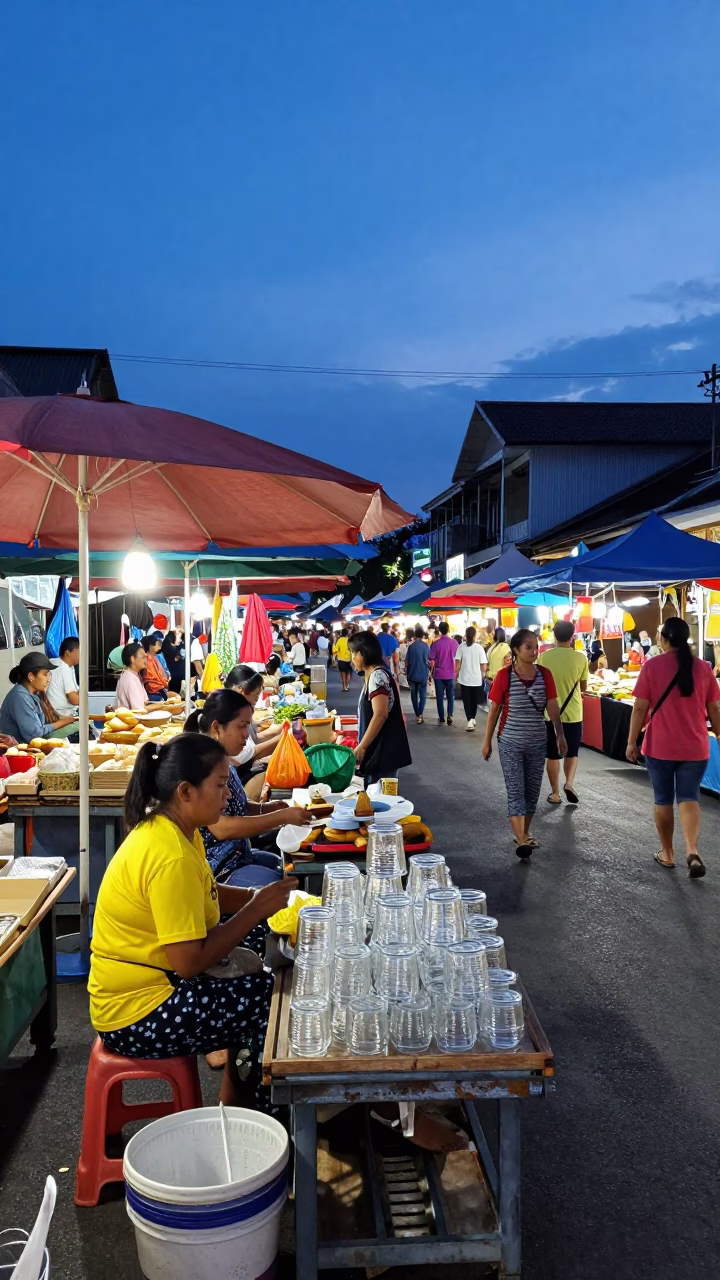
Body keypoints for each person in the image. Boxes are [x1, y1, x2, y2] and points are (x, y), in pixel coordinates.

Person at [88, 732, 298, 1108]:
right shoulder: (171, 856)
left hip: (153, 982)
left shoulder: (175, 829)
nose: (227, 796)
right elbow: (188, 963)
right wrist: (255, 909)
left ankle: (236, 1092)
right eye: (219, 786)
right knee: (269, 999)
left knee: (263, 941)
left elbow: (207, 890)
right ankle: (270, 1113)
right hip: (136, 1013)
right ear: (185, 791)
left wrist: (256, 901)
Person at [184, 688, 315, 887]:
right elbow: (222, 828)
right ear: (217, 728)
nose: (247, 735)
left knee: (285, 866)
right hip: (220, 870)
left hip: (239, 854)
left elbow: (238, 804)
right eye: (242, 727)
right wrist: (281, 817)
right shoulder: (202, 766)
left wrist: (271, 808)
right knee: (284, 884)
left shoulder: (223, 759)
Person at [626, 617, 720, 878]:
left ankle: (668, 854)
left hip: (660, 746)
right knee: (689, 797)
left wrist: (631, 741)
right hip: (695, 745)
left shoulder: (652, 666)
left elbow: (640, 707)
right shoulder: (703, 667)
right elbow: (714, 708)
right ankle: (692, 850)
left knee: (663, 799)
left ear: (663, 639)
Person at [482, 628, 567, 858]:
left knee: (532, 791)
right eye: (528, 647)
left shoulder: (545, 674)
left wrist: (560, 735)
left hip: (538, 741)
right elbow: (494, 711)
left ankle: (525, 833)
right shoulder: (504, 676)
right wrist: (487, 741)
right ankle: (521, 839)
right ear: (516, 650)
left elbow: (552, 706)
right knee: (516, 790)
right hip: (510, 741)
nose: (534, 650)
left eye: (535, 646)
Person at [349, 630, 412, 785]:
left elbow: (380, 715)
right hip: (379, 748)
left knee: (381, 796)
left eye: (353, 653)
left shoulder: (378, 676)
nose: (352, 658)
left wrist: (362, 746)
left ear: (363, 654)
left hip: (383, 750)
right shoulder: (373, 675)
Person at [538, 620, 588, 804]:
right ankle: (569, 783)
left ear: (554, 636)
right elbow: (583, 686)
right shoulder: (581, 658)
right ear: (572, 636)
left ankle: (556, 793)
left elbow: (540, 683)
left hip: (550, 713)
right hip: (574, 712)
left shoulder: (544, 657)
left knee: (552, 754)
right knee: (572, 752)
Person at [224, 664, 284, 797]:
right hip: (242, 776)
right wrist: (281, 737)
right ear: (240, 690)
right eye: (255, 695)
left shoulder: (238, 710)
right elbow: (244, 755)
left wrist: (276, 732)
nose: (257, 700)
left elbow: (250, 742)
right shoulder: (229, 714)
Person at [0, 651, 77, 742]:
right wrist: (63, 722)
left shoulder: (34, 694)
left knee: (81, 725)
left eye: (49, 674)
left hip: (33, 742)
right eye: (45, 674)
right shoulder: (20, 697)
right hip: (19, 749)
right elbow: (34, 734)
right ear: (31, 676)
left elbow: (49, 720)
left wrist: (72, 719)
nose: (48, 679)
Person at [454, 627, 488, 732]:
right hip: (477, 679)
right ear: (474, 635)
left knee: (467, 701)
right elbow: (484, 665)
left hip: (464, 679)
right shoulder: (479, 648)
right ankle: (472, 718)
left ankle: (470, 720)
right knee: (474, 701)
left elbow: (457, 663)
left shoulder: (461, 647)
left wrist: (456, 675)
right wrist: (483, 674)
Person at [429, 622, 458, 725]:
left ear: (440, 631)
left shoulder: (436, 644)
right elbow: (457, 658)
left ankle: (441, 717)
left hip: (439, 675)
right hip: (451, 674)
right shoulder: (454, 643)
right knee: (451, 696)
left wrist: (431, 673)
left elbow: (431, 659)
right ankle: (450, 714)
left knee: (440, 697)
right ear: (448, 629)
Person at [47, 637, 80, 719]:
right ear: (68, 653)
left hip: (54, 713)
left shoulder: (53, 662)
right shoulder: (63, 668)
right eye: (80, 651)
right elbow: (74, 700)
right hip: (64, 715)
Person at [405, 625, 431, 723]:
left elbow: (407, 662)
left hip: (412, 674)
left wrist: (407, 674)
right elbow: (429, 660)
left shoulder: (411, 647)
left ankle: (417, 713)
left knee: (414, 695)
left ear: (415, 635)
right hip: (423, 673)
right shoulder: (426, 646)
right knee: (423, 695)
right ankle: (420, 714)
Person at [141, 633, 170, 702]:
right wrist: (165, 683)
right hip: (154, 690)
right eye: (157, 644)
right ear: (151, 645)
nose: (159, 646)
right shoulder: (149, 659)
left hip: (158, 688)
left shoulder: (153, 657)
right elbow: (154, 678)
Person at [162, 629, 186, 694]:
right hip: (174, 679)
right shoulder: (172, 650)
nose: (180, 640)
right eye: (179, 637)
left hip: (173, 678)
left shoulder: (166, 648)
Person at [333, 627, 353, 692]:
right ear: (347, 634)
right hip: (349, 659)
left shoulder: (339, 640)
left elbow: (336, 649)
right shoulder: (349, 640)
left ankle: (344, 686)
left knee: (343, 673)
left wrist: (334, 658)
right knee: (348, 673)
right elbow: (352, 650)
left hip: (341, 659)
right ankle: (347, 685)